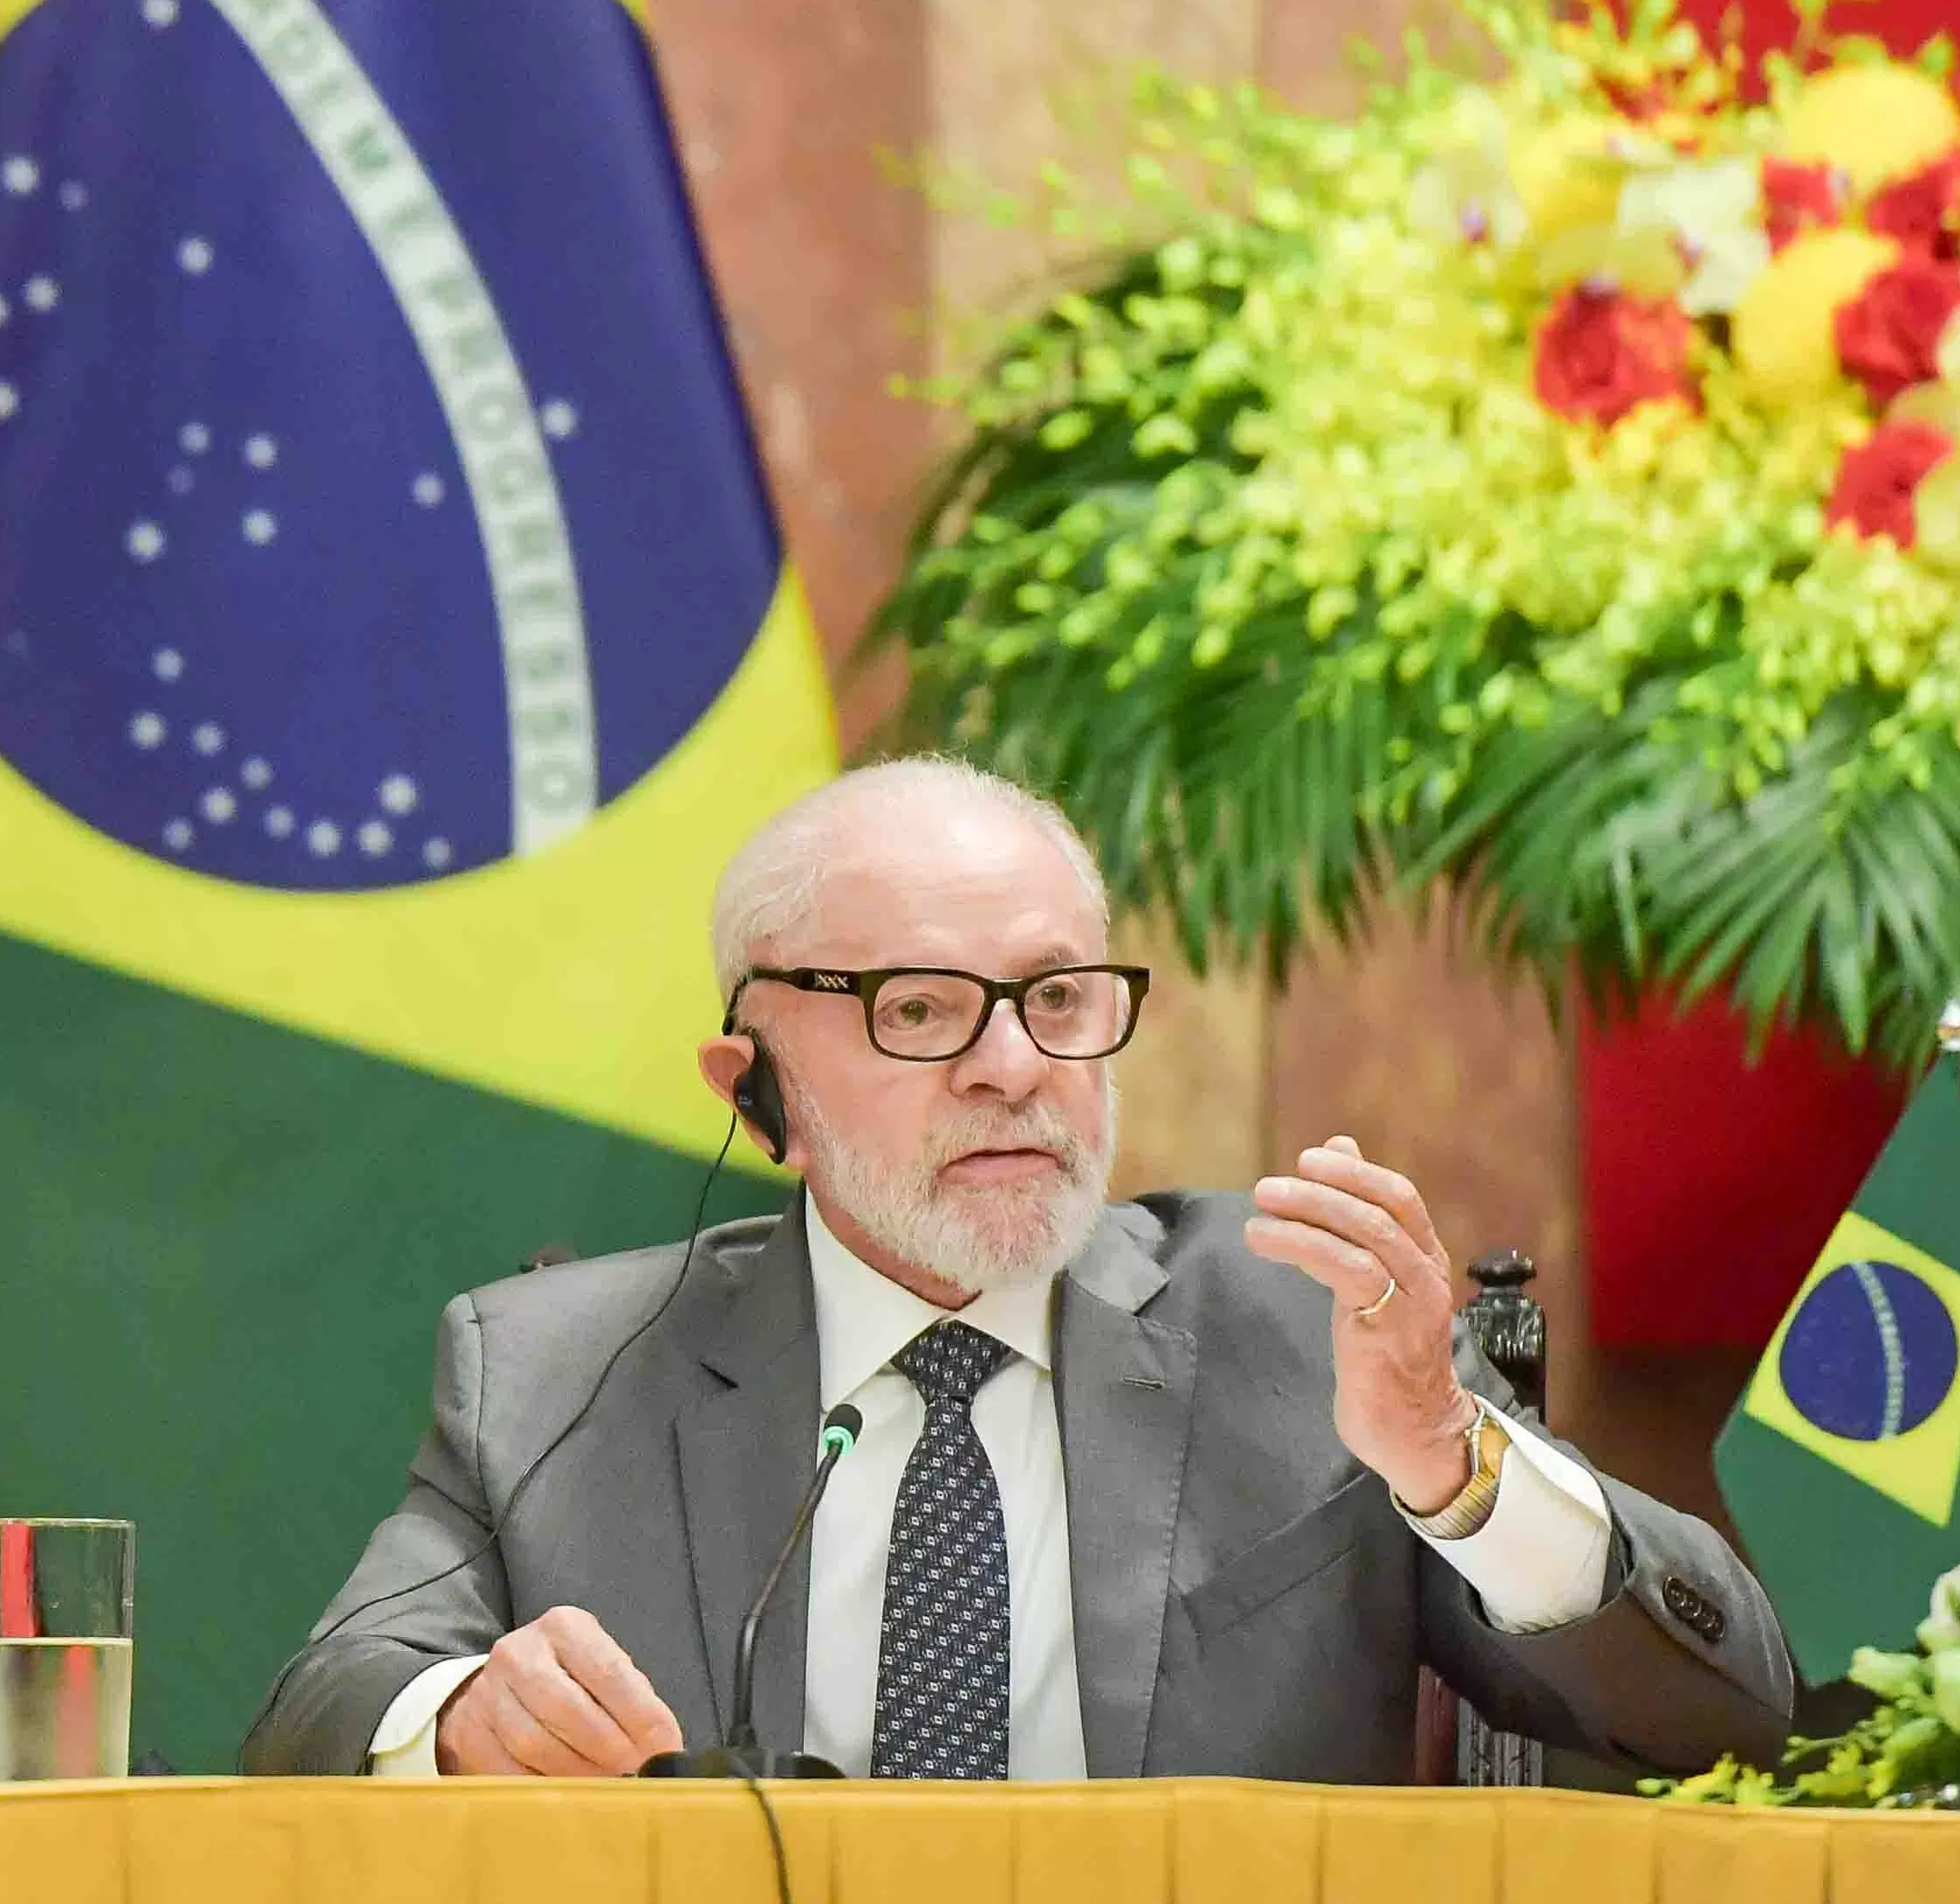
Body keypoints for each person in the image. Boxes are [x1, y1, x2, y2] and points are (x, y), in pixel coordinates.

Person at [242, 757, 1798, 1782]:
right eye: (919, 1009)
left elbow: (1718, 1710)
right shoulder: (556, 1370)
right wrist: (451, 1722)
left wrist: (1453, 1465)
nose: (1011, 1067)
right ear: (751, 1091)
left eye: (1056, 996)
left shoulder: (1298, 1342)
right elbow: (316, 1707)